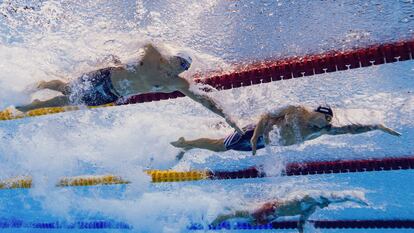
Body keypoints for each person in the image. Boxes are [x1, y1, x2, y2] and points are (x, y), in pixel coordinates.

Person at [12, 43, 242, 133]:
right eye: (180, 62)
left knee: (70, 101)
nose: (180, 68)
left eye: (184, 67)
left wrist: (228, 117)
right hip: (105, 78)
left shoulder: (177, 83)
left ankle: (34, 107)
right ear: (172, 58)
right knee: (67, 89)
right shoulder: (154, 57)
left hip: (113, 94)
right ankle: (40, 84)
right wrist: (121, 57)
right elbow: (141, 43)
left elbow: (203, 99)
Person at [171, 105, 401, 157]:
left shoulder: (322, 130)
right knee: (221, 146)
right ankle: (186, 142)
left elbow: (350, 130)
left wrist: (376, 127)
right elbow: (264, 116)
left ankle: (189, 144)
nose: (327, 124)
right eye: (326, 119)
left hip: (262, 143)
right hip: (255, 133)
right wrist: (253, 139)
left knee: (220, 148)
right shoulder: (295, 111)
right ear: (318, 112)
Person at [210, 191, 368, 233]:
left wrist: (301, 229)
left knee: (248, 218)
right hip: (271, 208)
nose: (326, 205)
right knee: (243, 213)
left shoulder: (312, 207)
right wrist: (351, 198)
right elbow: (333, 197)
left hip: (274, 214)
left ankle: (224, 213)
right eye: (325, 203)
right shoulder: (309, 197)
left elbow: (302, 220)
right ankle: (221, 216)